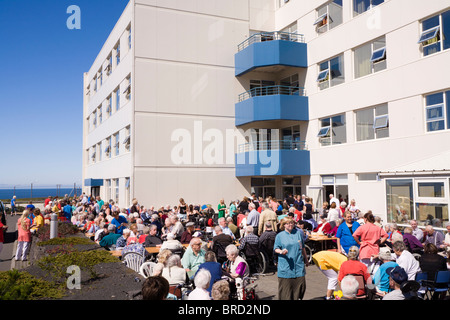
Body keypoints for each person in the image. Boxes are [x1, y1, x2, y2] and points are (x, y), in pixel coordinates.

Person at [274, 216, 309, 300]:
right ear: (283, 225)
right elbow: (276, 248)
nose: (289, 225)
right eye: (287, 223)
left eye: (291, 223)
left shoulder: (298, 233)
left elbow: (302, 247)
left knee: (301, 288)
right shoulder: (280, 236)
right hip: (286, 267)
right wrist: (281, 251)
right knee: (286, 293)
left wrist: (306, 259)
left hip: (298, 266)